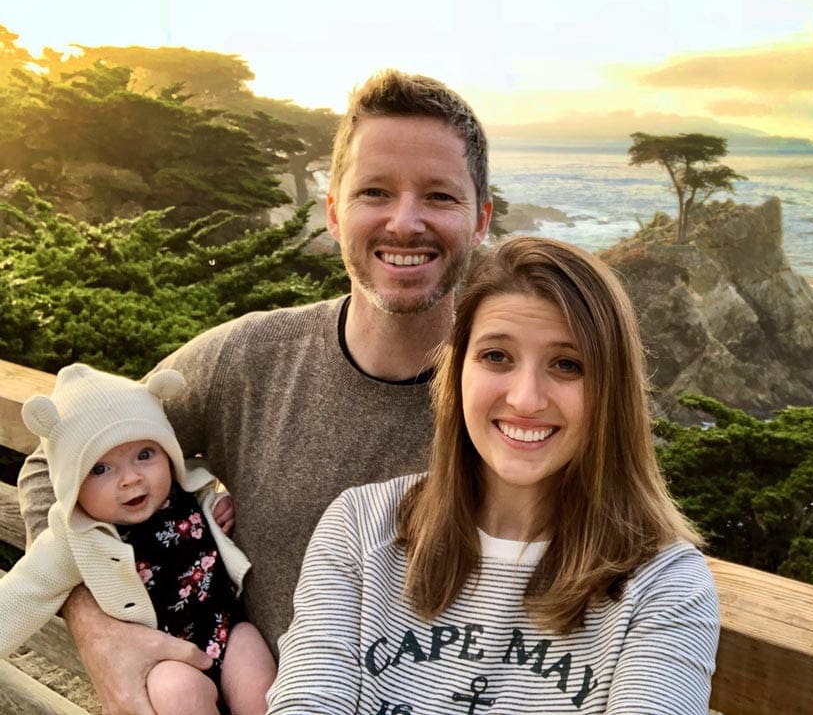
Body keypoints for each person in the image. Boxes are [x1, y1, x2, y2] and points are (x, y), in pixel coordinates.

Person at [17, 69, 493, 715]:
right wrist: (98, 626)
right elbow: (54, 459)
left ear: (482, 218)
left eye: (439, 195)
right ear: (332, 210)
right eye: (375, 191)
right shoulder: (248, 357)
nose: (404, 222)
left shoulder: (516, 401)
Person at [267, 237, 721, 715]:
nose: (525, 399)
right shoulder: (360, 529)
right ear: (457, 369)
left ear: (612, 392)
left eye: (567, 365)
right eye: (496, 356)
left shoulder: (664, 585)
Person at [4, 363, 275, 715]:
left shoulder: (187, 488)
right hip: (157, 657)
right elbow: (24, 591)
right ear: (71, 483)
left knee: (261, 686)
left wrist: (219, 502)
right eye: (100, 469)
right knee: (180, 692)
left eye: (145, 455)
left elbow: (208, 483)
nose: (131, 478)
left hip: (226, 627)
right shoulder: (76, 538)